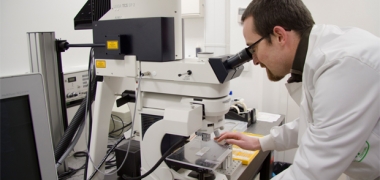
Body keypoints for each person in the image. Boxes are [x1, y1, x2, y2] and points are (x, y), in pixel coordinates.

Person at [215, 0, 380, 179]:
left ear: (279, 36)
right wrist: (261, 142)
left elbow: (309, 174)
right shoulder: (319, 57)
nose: (254, 60)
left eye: (253, 49)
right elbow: (315, 123)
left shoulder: (343, 64)